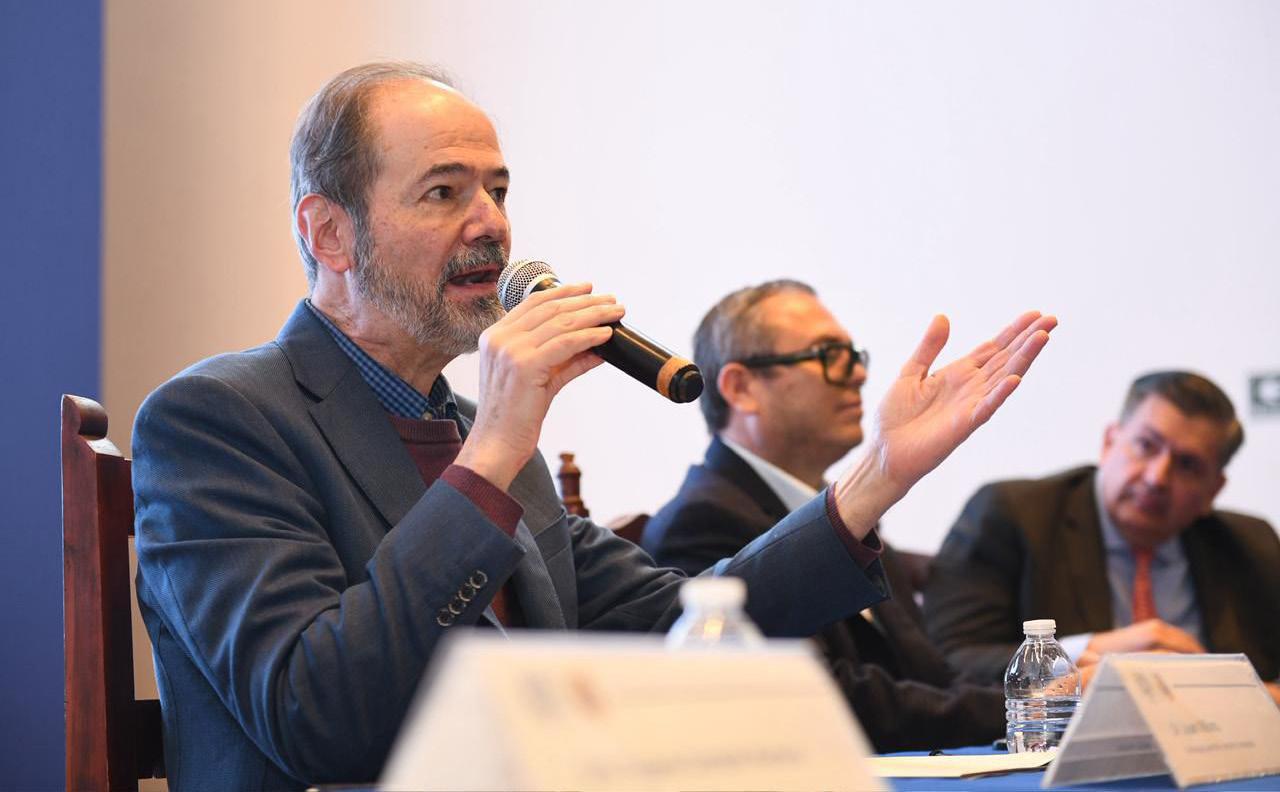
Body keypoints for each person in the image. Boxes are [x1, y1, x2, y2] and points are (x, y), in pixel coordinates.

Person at [131, 61, 1055, 789]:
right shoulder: (219, 420)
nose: (491, 226)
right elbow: (316, 718)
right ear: (329, 233)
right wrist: (492, 454)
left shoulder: (485, 440)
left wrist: (878, 475)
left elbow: (687, 634)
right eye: (444, 193)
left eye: (498, 190)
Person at [641, 280, 1006, 752]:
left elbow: (929, 671)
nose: (858, 374)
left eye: (853, 355)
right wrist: (1019, 708)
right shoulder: (701, 521)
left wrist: (1045, 689)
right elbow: (826, 699)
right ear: (741, 388)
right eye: (828, 355)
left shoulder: (845, 511)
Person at [924, 371, 1280, 706]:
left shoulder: (1252, 544)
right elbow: (948, 660)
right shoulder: (1014, 515)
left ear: (1213, 490)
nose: (1157, 477)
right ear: (1110, 442)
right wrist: (1079, 655)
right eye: (1146, 445)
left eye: (1187, 464)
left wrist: (1233, 689)